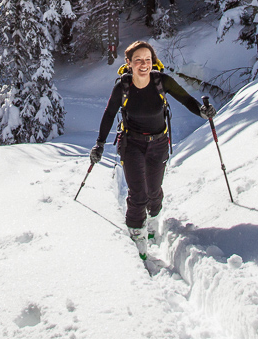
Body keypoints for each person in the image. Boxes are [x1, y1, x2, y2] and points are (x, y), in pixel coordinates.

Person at [90, 40, 213, 258]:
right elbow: (109, 114)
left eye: (148, 59)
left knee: (154, 192)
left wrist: (202, 112)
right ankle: (138, 240)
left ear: (153, 62)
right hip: (132, 144)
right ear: (129, 63)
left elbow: (186, 100)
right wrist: (99, 144)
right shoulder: (123, 87)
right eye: (138, 60)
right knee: (138, 194)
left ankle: (153, 221)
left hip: (158, 143)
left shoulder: (161, 81)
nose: (144, 64)